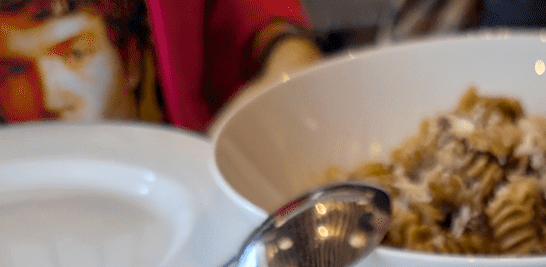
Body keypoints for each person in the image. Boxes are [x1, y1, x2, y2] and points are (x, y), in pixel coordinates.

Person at [0, 0, 322, 130]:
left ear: (131, 62)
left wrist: (284, 46)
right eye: (13, 71)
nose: (51, 99)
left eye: (76, 54)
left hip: (188, 187)